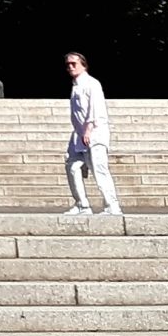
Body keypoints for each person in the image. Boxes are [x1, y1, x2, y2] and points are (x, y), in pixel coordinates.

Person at [62, 51, 123, 217]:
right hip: (79, 134)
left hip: (94, 133)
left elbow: (95, 109)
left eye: (74, 63)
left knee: (99, 169)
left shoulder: (91, 84)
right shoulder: (76, 86)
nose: (70, 67)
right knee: (72, 167)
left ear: (83, 65)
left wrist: (88, 130)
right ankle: (82, 204)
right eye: (68, 64)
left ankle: (112, 205)